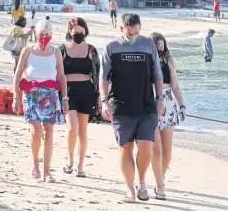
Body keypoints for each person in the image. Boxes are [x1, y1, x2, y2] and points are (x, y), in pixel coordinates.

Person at [99, 13, 164, 203]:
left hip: (146, 105)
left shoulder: (148, 44)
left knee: (146, 148)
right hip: (120, 105)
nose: (134, 37)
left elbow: (157, 74)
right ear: (121, 29)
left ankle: (141, 181)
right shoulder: (111, 47)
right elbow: (103, 77)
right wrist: (104, 102)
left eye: (137, 32)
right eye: (130, 33)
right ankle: (130, 190)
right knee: (125, 147)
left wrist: (159, 99)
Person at [12, 20, 68, 183]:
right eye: (41, 34)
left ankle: (46, 171)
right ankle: (35, 163)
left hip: (50, 94)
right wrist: (16, 97)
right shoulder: (27, 51)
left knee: (49, 133)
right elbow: (17, 75)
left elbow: (61, 76)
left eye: (46, 34)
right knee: (36, 131)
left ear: (51, 35)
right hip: (31, 93)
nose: (43, 37)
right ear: (35, 34)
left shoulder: (56, 52)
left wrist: (64, 97)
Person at [60, 17, 100, 178]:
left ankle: (80, 166)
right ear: (70, 32)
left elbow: (97, 74)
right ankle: (70, 160)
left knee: (83, 130)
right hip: (68, 92)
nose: (79, 35)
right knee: (72, 128)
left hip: (86, 91)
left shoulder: (91, 50)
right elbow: (57, 72)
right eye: (76, 32)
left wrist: (99, 97)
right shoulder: (62, 50)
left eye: (82, 33)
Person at [150, 32, 186, 200]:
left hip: (168, 103)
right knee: (156, 149)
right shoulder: (147, 61)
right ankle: (159, 185)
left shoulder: (169, 61)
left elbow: (175, 86)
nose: (159, 46)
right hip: (150, 102)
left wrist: (182, 106)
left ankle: (160, 177)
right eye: (156, 44)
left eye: (162, 43)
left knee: (168, 152)